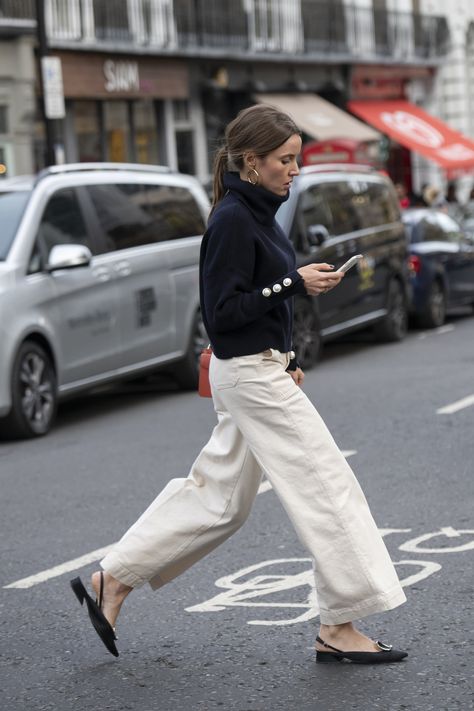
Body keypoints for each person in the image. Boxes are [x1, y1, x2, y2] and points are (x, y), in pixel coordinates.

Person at [71, 104, 408, 664]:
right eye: (285, 159)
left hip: (260, 369)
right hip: (249, 375)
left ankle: (114, 581)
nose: (294, 169)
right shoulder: (231, 219)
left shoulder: (258, 216)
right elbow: (222, 313)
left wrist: (289, 351)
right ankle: (340, 623)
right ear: (251, 161)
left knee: (221, 501)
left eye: (297, 158)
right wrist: (291, 285)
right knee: (327, 486)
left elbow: (260, 303)